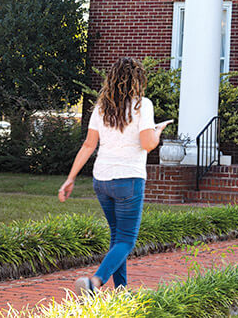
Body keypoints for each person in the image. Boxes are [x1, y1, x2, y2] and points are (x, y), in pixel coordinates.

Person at [58, 57, 171, 293]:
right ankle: (94, 283)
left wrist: (70, 178)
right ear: (137, 81)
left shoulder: (101, 107)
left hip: (102, 179)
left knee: (117, 237)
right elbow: (147, 143)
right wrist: (158, 132)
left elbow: (88, 146)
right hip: (128, 179)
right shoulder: (143, 105)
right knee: (127, 240)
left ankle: (121, 290)